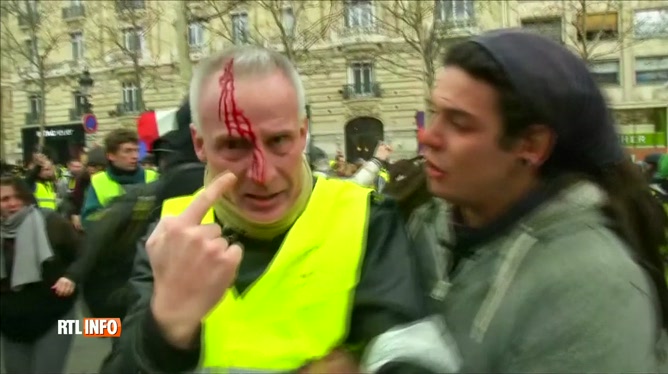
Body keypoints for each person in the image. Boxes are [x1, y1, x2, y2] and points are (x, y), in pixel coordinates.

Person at [117, 46, 457, 374]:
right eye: (234, 145)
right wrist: (163, 330)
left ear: (302, 133)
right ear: (199, 144)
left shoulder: (369, 218)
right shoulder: (169, 235)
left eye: (278, 141)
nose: (262, 175)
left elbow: (409, 348)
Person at [414, 29, 667, 372]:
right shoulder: (421, 224)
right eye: (434, 112)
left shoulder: (592, 290)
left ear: (531, 146)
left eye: (460, 123)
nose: (428, 137)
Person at [0, 176, 81, 373]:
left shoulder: (52, 222)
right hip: (11, 325)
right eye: (4, 199)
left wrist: (71, 277)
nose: (13, 203)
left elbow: (84, 255)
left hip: (56, 318)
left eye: (18, 196)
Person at [81, 129, 159, 229]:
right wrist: (117, 213)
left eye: (136, 150)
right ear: (111, 155)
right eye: (128, 151)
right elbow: (89, 219)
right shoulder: (98, 181)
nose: (135, 156)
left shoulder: (152, 177)